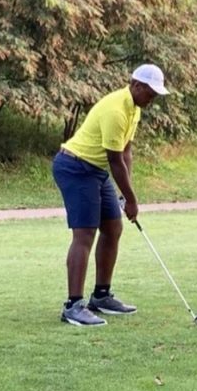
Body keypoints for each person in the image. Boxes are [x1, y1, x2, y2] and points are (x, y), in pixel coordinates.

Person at [51, 64, 168, 327]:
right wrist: (133, 200)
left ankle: (101, 297)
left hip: (96, 170)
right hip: (76, 167)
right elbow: (115, 160)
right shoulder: (116, 109)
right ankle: (73, 306)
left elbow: (126, 152)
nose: (152, 99)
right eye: (150, 93)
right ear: (136, 85)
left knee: (113, 228)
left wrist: (128, 195)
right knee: (84, 235)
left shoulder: (134, 109)